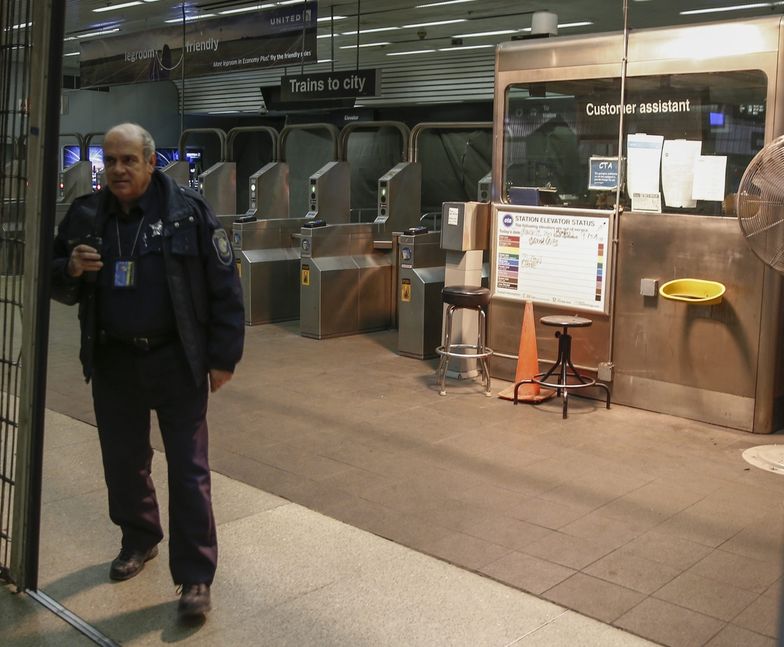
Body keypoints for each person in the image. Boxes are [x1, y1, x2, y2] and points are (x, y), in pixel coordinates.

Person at [50, 123, 244, 620]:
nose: (117, 170)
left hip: (175, 360)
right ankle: (139, 539)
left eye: (128, 160)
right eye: (110, 161)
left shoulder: (188, 213)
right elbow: (51, 275)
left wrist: (223, 357)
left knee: (189, 470)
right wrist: (69, 268)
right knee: (123, 461)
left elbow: (224, 286)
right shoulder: (86, 215)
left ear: (150, 162)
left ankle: (196, 577)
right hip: (114, 360)